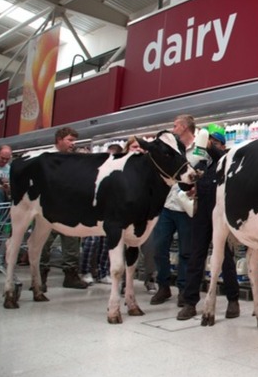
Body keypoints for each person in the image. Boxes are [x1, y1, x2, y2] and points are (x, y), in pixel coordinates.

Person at [177, 123, 240, 321]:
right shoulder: (201, 163)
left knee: (226, 258)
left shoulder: (227, 160)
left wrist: (207, 145)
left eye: (214, 142)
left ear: (220, 144)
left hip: (222, 214)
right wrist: (186, 184)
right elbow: (186, 181)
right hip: (202, 212)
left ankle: (233, 299)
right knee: (197, 256)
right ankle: (190, 302)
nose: (208, 145)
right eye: (208, 140)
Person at [147, 115, 198, 306]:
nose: (173, 128)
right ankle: (163, 286)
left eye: (176, 125)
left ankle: (183, 290)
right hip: (167, 205)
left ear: (184, 127)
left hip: (187, 208)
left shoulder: (199, 151)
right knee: (159, 248)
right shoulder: (170, 148)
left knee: (186, 251)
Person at [38, 127, 89, 290]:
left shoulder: (73, 159)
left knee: (72, 244)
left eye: (74, 141)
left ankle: (71, 276)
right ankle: (40, 277)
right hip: (48, 209)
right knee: (43, 242)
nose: (72, 144)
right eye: (70, 140)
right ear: (59, 139)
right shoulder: (45, 158)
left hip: (70, 209)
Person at [79, 143, 122, 285]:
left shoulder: (119, 172)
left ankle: (103, 272)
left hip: (109, 212)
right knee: (92, 241)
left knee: (106, 243)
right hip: (93, 211)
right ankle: (84, 271)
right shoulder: (98, 170)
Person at [124, 136, 157, 293]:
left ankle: (150, 277)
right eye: (133, 147)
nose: (137, 149)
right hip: (125, 216)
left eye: (139, 147)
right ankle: (125, 281)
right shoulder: (120, 168)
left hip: (145, 216)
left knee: (149, 247)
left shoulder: (149, 168)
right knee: (124, 250)